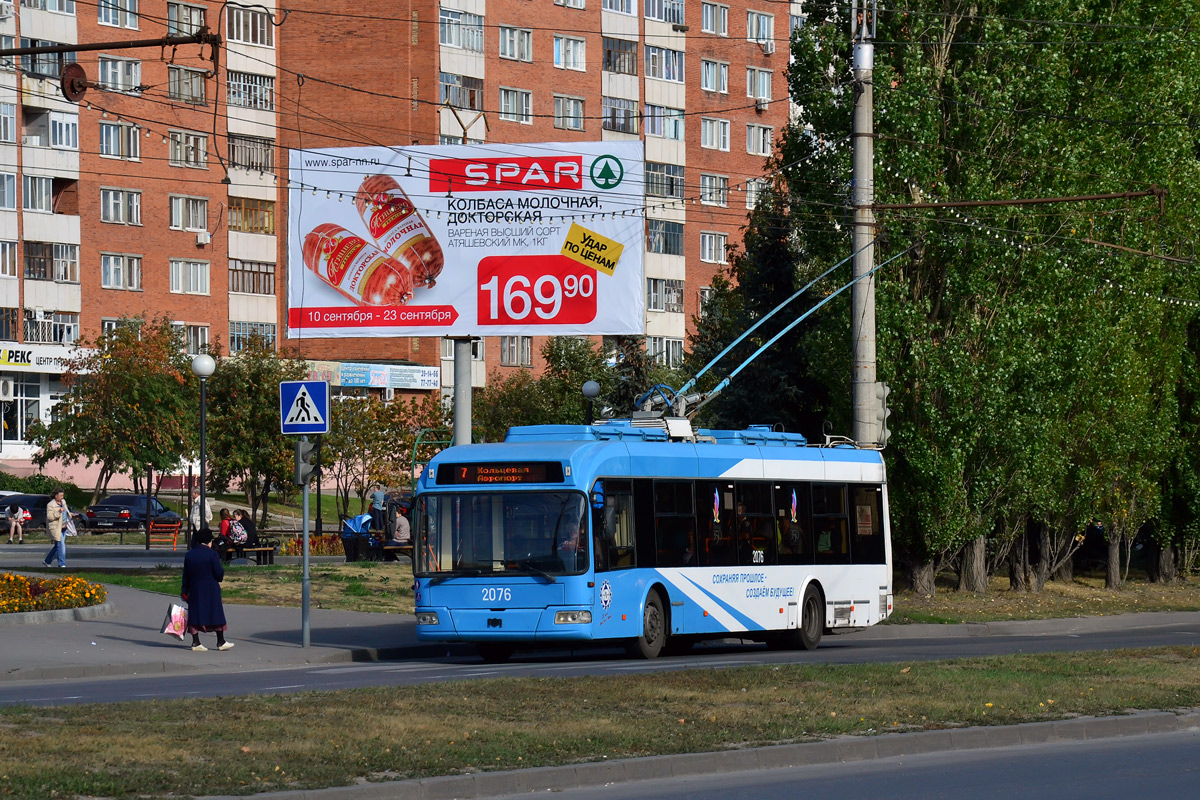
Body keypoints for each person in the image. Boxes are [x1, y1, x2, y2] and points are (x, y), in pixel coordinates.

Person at [180, 528, 233, 652]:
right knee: (216, 614)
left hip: (195, 589)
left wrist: (184, 590)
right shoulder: (212, 554)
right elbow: (219, 574)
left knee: (195, 615)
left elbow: (186, 575)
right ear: (209, 541)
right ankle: (221, 641)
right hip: (211, 589)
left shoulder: (189, 555)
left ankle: (195, 642)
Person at [42, 489, 67, 568]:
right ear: (56, 496)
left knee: (57, 546)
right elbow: (50, 517)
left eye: (63, 495)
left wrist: (71, 514)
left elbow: (66, 511)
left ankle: (47, 561)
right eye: (61, 496)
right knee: (61, 546)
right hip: (56, 528)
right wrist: (59, 512)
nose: (62, 497)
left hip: (64, 527)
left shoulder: (63, 502)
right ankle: (62, 564)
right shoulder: (50, 505)